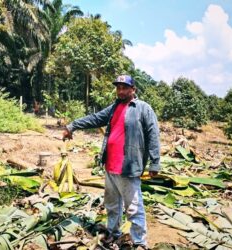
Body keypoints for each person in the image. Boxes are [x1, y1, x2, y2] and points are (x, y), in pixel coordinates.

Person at [62, 75, 160, 249]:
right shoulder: (114, 108)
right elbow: (95, 118)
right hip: (110, 166)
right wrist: (73, 126)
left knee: (133, 207)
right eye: (118, 87)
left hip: (128, 167)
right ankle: (114, 233)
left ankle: (139, 242)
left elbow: (153, 134)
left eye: (125, 87)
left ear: (133, 89)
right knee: (112, 205)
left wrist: (155, 162)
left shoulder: (143, 108)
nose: (121, 91)